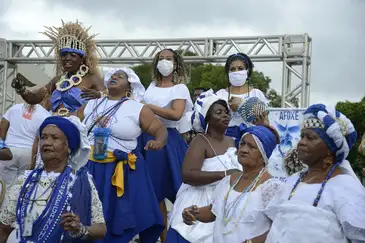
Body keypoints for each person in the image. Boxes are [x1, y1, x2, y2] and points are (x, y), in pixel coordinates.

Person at [76, 68, 168, 243]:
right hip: (89, 168)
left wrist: (159, 141)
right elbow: (72, 122)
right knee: (87, 216)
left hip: (117, 171)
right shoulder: (92, 104)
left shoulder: (137, 108)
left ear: (130, 86)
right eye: (113, 75)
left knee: (113, 219)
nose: (115, 77)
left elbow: (159, 128)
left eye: (121, 76)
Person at [265, 104, 365, 242]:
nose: (301, 142)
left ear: (330, 147)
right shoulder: (293, 180)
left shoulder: (346, 186)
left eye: (311, 138)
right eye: (302, 136)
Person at [0, 116, 106, 243]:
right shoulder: (24, 180)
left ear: (68, 146)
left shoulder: (81, 181)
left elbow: (101, 229)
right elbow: (4, 228)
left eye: (55, 138)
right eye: (43, 137)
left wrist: (81, 229)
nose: (47, 142)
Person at [182, 125, 282, 243]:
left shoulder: (271, 187)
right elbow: (213, 212)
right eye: (243, 144)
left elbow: (280, 228)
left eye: (252, 147)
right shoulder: (228, 181)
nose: (244, 149)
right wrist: (194, 213)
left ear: (263, 155)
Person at [166, 90, 242, 242]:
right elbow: (187, 174)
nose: (225, 115)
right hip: (198, 200)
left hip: (224, 201)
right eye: (219, 112)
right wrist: (225, 174)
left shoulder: (232, 141)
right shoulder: (200, 141)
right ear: (208, 118)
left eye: (226, 112)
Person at [138, 48, 193, 242]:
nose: (164, 62)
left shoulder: (180, 88)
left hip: (168, 141)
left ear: (176, 63)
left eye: (169, 58)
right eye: (161, 58)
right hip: (145, 139)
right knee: (155, 193)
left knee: (177, 190)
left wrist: (147, 107)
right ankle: (160, 237)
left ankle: (179, 235)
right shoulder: (151, 86)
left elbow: (176, 114)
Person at [11, 20, 105, 118]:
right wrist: (21, 88)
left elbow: (110, 100)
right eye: (64, 55)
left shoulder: (92, 78)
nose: (67, 58)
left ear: (82, 59)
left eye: (73, 55)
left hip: (78, 128)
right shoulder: (57, 81)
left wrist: (100, 95)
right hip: (53, 127)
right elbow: (34, 99)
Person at [216, 53, 268, 147]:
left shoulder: (256, 94)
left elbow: (265, 122)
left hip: (251, 143)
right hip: (224, 143)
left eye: (240, 68)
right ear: (228, 73)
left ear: (247, 71)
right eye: (232, 69)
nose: (236, 72)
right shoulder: (220, 94)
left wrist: (242, 105)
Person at [0, 100, 50, 187]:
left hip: (10, 150)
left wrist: (2, 145)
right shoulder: (45, 114)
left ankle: (4, 200)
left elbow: (3, 125)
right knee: (22, 185)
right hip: (29, 153)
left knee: (4, 185)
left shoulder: (15, 108)